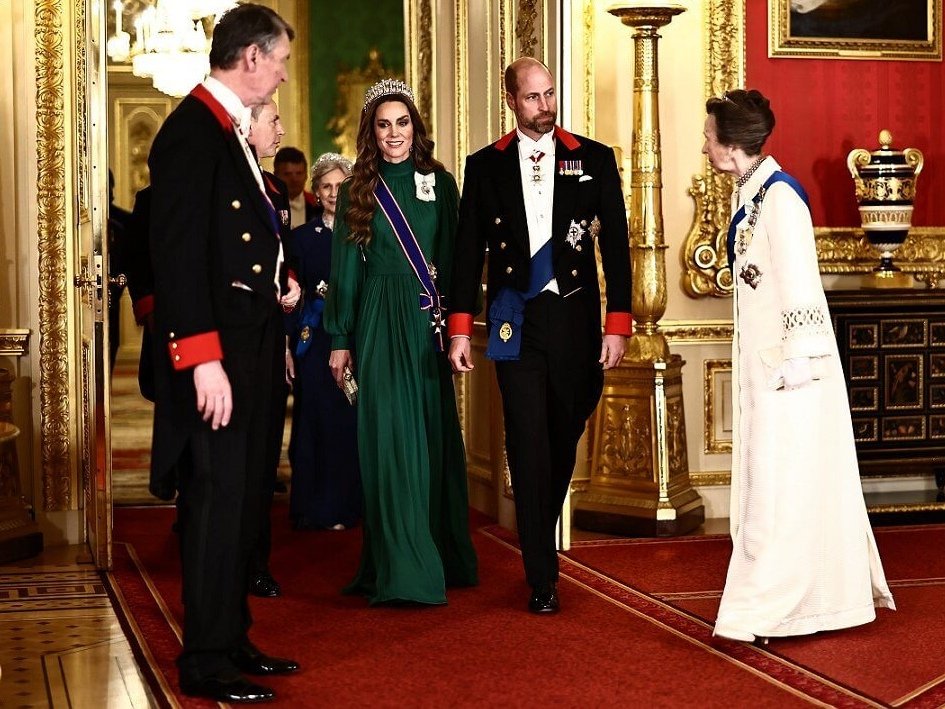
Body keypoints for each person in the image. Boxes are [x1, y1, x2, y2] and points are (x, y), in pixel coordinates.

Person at [702, 89, 895, 642]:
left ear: (732, 143)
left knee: (785, 485)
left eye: (710, 136)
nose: (705, 144)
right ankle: (791, 601)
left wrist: (796, 368)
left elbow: (802, 288)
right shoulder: (752, 193)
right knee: (775, 483)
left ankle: (772, 607)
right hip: (767, 370)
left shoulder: (780, 199)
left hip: (793, 375)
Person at [147, 4, 299, 702]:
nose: (284, 74)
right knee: (213, 500)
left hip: (253, 342)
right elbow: (177, 258)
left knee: (242, 499)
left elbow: (240, 241)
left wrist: (280, 278)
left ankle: (230, 633)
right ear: (250, 59)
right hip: (219, 356)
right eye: (280, 61)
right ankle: (204, 658)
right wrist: (201, 358)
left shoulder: (229, 131)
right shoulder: (192, 133)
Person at [448, 58, 632, 615]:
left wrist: (617, 324)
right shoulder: (485, 167)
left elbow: (617, 247)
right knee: (526, 440)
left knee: (564, 428)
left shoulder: (593, 159)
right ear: (511, 101)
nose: (545, 106)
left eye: (550, 95)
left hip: (575, 320)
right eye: (532, 98)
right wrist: (460, 329)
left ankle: (536, 522)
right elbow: (465, 254)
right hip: (514, 320)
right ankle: (542, 575)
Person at [324, 78, 478, 605]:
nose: (395, 134)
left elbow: (460, 262)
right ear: (372, 131)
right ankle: (402, 569)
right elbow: (345, 268)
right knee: (390, 443)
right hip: (375, 324)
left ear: (417, 126)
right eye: (384, 125)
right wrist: (339, 337)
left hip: (426, 326)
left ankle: (440, 553)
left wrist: (459, 326)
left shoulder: (442, 183)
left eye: (403, 122)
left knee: (432, 441)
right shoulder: (355, 190)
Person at [287, 153, 361, 532]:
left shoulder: (367, 234)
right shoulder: (300, 239)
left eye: (341, 186)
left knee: (352, 423)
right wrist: (287, 347)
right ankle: (313, 507)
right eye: (327, 187)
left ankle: (351, 506)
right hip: (314, 342)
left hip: (360, 341)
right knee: (317, 419)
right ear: (315, 192)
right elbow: (289, 298)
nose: (334, 193)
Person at [245, 98, 301, 599]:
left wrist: (291, 283)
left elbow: (277, 257)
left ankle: (257, 564)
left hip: (269, 337)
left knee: (264, 458)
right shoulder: (221, 183)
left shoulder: (274, 190)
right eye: (274, 121)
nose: (281, 130)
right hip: (228, 344)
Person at [274, 146, 318, 227]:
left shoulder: (318, 205)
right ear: (275, 176)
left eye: (299, 173)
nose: (294, 179)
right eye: (287, 174)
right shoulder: (267, 205)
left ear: (306, 176)